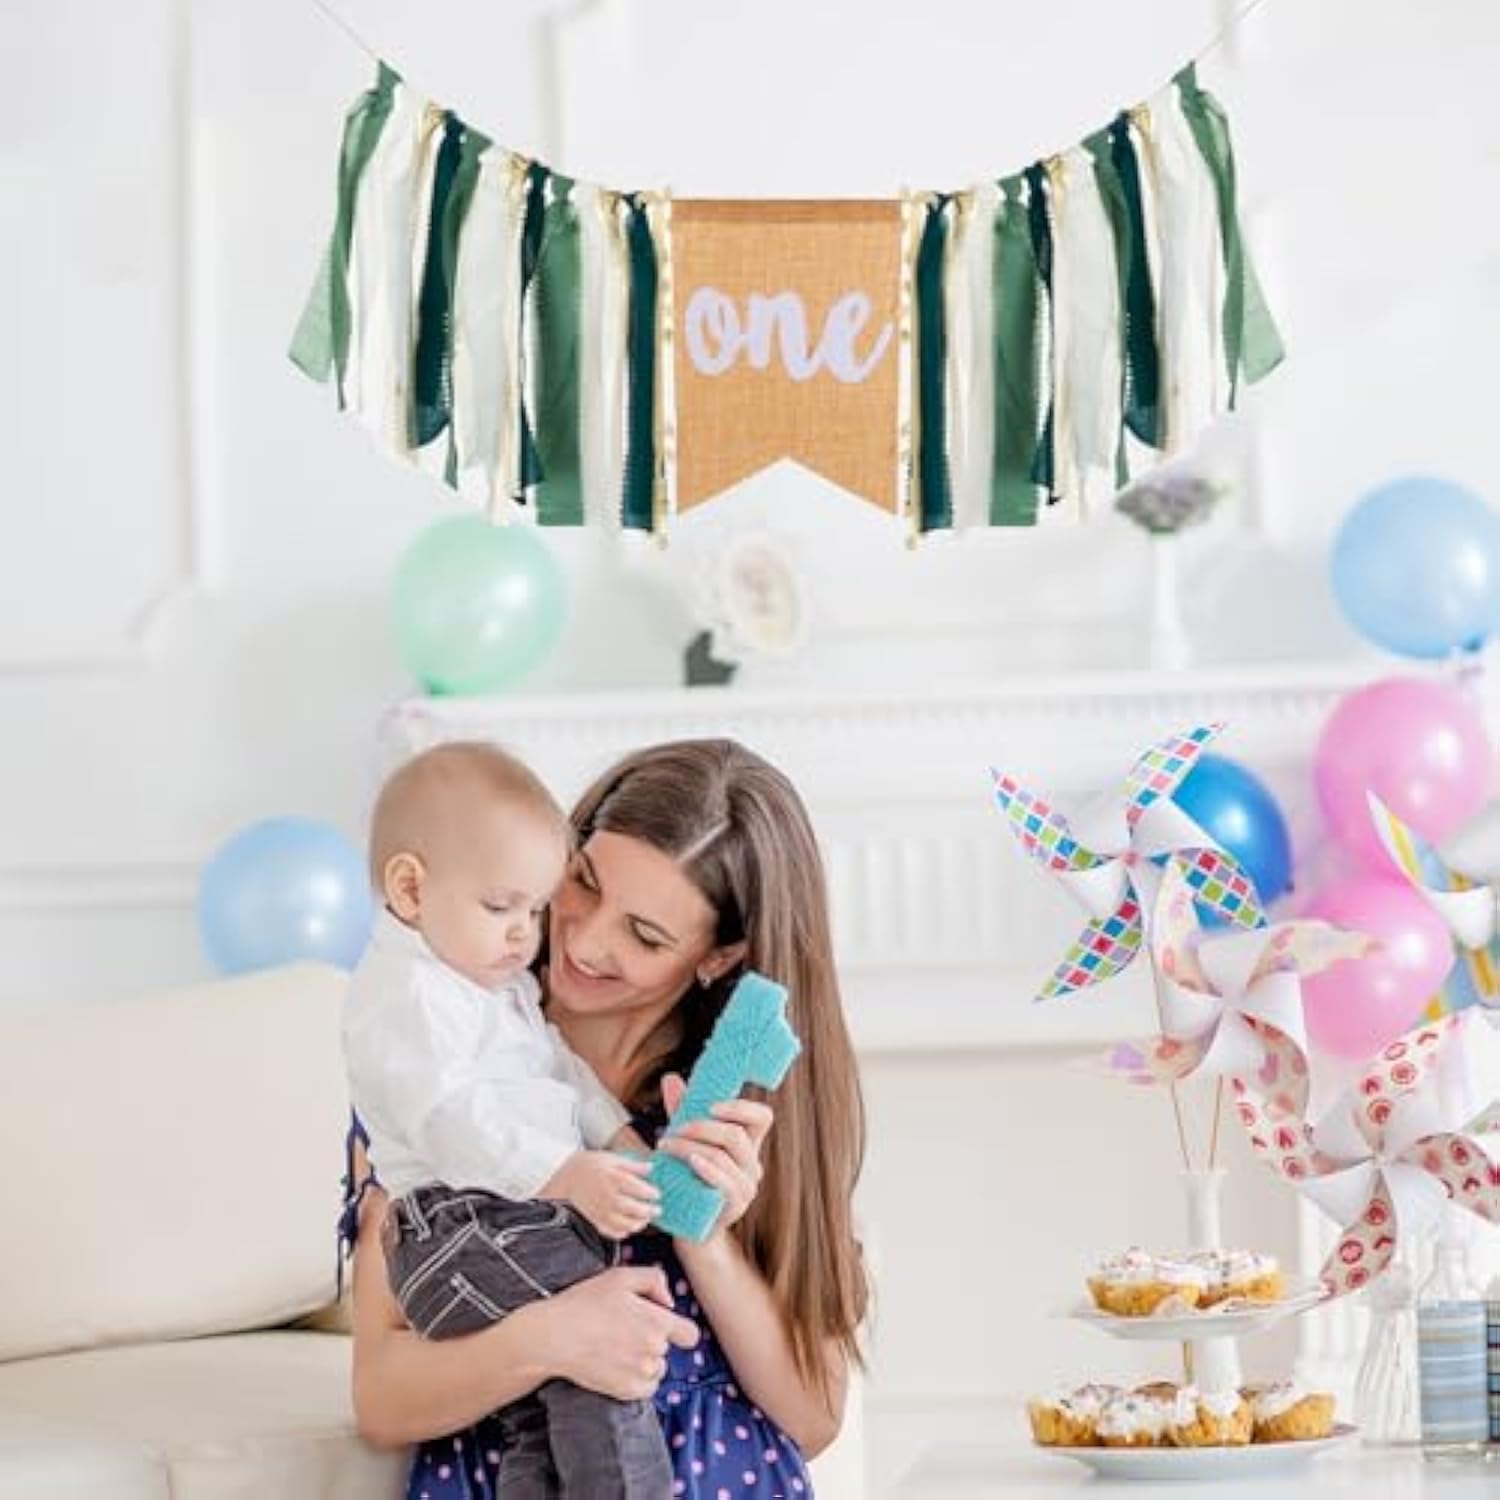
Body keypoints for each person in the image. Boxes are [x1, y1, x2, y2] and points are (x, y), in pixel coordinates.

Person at [343, 738, 869, 1498]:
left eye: (646, 935)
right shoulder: (443, 1061)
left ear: (716, 958)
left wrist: (708, 1238)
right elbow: (383, 1398)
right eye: (582, 882)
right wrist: (544, 1342)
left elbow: (815, 1417)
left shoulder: (737, 1107)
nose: (584, 940)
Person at [344, 741, 673, 1496]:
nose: (526, 934)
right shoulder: (406, 996)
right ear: (409, 888)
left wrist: (620, 1139)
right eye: (501, 907)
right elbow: (449, 1119)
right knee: (608, 1351)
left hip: (503, 1225)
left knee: (546, 1413)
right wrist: (564, 1175)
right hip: (457, 1228)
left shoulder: (494, 986)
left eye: (534, 909)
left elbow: (561, 1071)